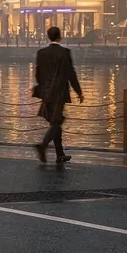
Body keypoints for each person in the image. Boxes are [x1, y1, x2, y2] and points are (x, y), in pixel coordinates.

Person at [33, 26, 84, 164]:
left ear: (48, 37)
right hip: (59, 93)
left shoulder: (41, 53)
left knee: (55, 122)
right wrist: (78, 92)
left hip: (46, 93)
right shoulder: (64, 53)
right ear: (60, 37)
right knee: (56, 122)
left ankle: (60, 154)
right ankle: (43, 146)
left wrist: (43, 87)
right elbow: (70, 74)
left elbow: (38, 74)